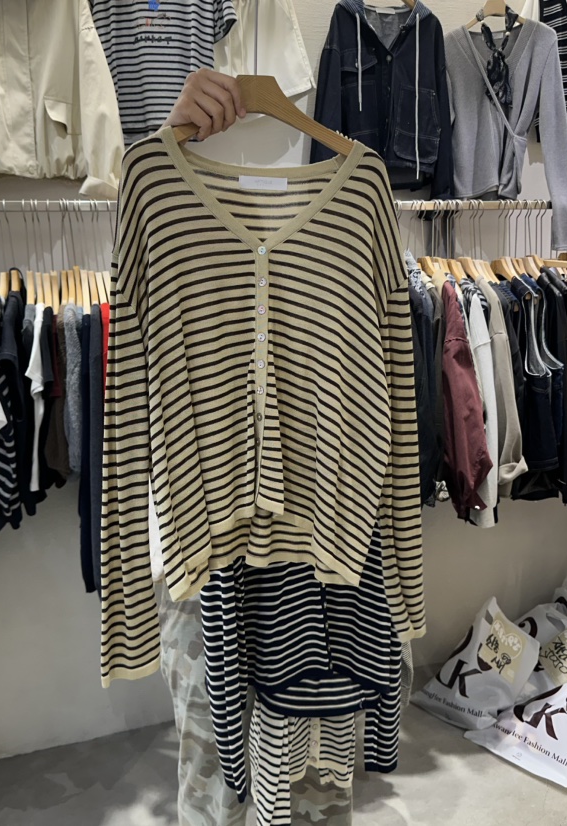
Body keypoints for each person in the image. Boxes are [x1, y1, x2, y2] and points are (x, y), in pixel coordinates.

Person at [153, 69, 355, 826]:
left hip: (314, 526)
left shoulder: (347, 193)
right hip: (199, 531)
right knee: (213, 756)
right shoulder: (161, 181)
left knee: (308, 738)